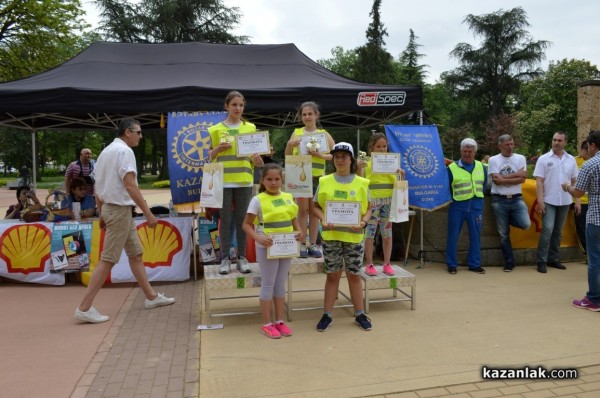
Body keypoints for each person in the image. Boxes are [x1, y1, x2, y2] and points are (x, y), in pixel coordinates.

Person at [74, 119, 175, 324]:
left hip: (115, 210)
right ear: (128, 132)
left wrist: (102, 213)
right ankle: (84, 307)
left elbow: (98, 188)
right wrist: (148, 213)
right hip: (119, 211)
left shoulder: (105, 152)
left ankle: (151, 297)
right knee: (108, 259)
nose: (141, 136)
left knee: (136, 254)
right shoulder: (124, 152)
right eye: (138, 132)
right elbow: (130, 185)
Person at [312, 142, 373, 332]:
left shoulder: (362, 183)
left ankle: (360, 313)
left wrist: (362, 223)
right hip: (331, 235)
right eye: (337, 157)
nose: (340, 160)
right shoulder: (324, 181)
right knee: (332, 275)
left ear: (351, 159)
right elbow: (314, 207)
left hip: (354, 237)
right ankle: (327, 314)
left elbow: (369, 209)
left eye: (344, 156)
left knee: (354, 275)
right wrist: (323, 219)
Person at [242, 163, 304, 338]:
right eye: (269, 179)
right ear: (263, 180)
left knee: (280, 284)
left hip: (286, 245)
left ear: (282, 180)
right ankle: (267, 323)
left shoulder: (288, 197)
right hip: (267, 245)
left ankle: (279, 321)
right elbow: (246, 225)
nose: (273, 182)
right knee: (268, 284)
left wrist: (299, 232)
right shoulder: (257, 199)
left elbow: (294, 221)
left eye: (277, 179)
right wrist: (258, 238)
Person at [208, 91, 264, 275]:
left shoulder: (251, 128)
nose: (238, 108)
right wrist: (218, 148)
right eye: (234, 105)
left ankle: (242, 257)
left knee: (243, 220)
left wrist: (258, 161)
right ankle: (225, 258)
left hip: (244, 181)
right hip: (222, 182)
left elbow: (256, 158)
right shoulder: (215, 130)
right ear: (226, 106)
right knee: (225, 221)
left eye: (241, 105)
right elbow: (209, 157)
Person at [285, 101, 335, 258]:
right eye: (304, 114)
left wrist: (320, 155)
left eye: (310, 114)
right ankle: (301, 244)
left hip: (317, 177)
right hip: (300, 175)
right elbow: (287, 155)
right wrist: (289, 143)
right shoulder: (296, 132)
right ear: (301, 116)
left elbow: (334, 154)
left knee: (314, 212)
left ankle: (313, 244)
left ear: (316, 115)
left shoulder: (324, 134)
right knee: (302, 211)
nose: (307, 116)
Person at [562, 130, 600, 311]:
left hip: (596, 218)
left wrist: (568, 187)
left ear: (593, 145)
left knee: (595, 260)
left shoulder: (589, 164)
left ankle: (594, 299)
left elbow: (578, 192)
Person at [357, 133, 404, 276]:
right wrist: (359, 168)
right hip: (372, 204)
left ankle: (387, 263)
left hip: (388, 202)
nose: (382, 149)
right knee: (370, 234)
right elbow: (359, 181)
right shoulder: (366, 163)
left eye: (384, 146)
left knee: (387, 234)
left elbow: (398, 182)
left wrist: (401, 174)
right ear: (372, 147)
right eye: (378, 146)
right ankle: (369, 264)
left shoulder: (393, 163)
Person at [533, 131, 579, 273]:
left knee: (558, 232)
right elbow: (539, 181)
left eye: (559, 140)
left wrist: (577, 201)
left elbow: (574, 181)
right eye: (554, 140)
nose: (556, 142)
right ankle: (541, 260)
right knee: (547, 229)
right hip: (549, 200)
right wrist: (540, 200)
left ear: (565, 142)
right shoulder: (543, 159)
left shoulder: (571, 159)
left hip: (565, 201)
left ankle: (553, 259)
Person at [488, 134, 531, 272]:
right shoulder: (493, 160)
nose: (510, 147)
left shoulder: (520, 158)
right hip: (498, 200)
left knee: (526, 224)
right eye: (507, 145)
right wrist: (515, 175)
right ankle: (509, 262)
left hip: (516, 198)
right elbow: (496, 181)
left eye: (512, 144)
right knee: (503, 234)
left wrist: (504, 178)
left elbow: (523, 179)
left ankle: (507, 221)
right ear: (500, 145)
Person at [446, 138, 487, 275]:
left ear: (475, 152)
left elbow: (485, 183)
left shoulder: (482, 167)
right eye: (465, 151)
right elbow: (447, 186)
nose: (467, 154)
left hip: (476, 206)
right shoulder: (451, 168)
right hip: (458, 205)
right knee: (453, 235)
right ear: (460, 151)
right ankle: (452, 264)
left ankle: (474, 264)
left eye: (470, 151)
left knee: (476, 236)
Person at [573, 141, 590, 256]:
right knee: (582, 229)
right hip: (579, 200)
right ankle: (588, 253)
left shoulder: (594, 162)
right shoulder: (573, 161)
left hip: (592, 201)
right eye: (585, 150)